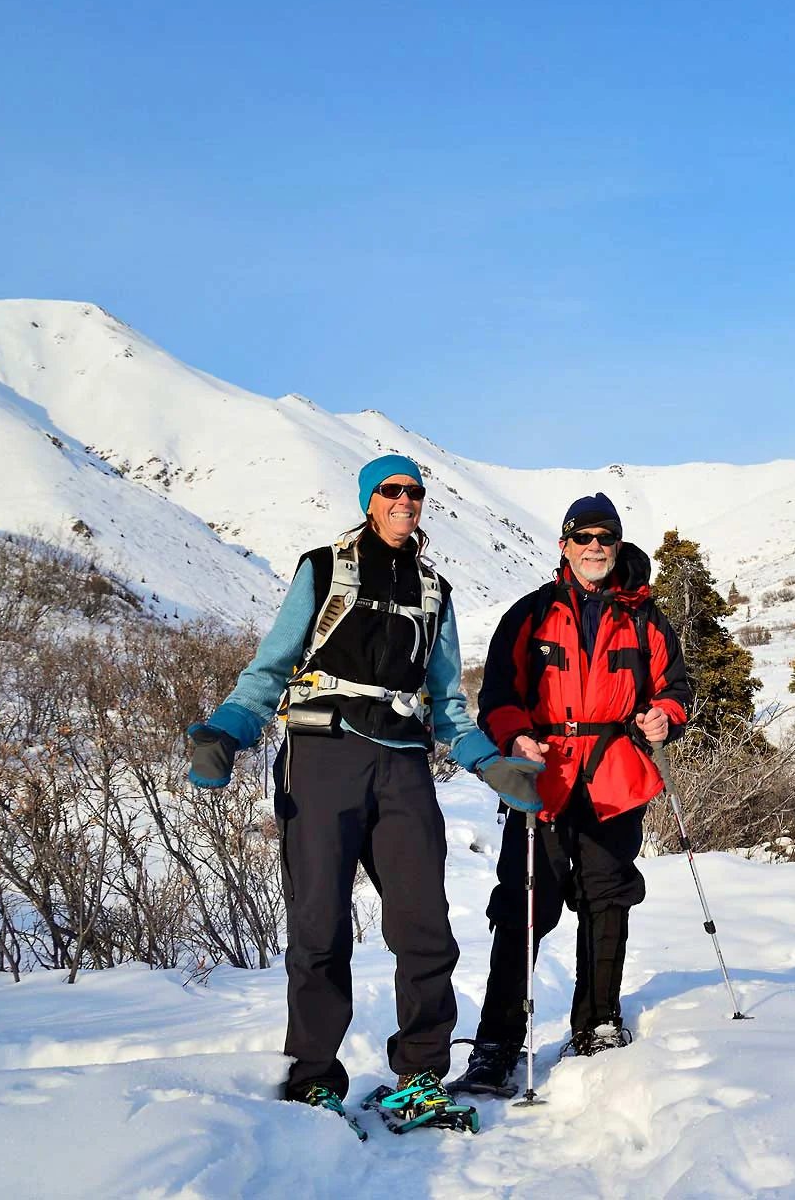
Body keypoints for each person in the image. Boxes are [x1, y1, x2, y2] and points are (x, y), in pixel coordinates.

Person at [185, 454, 543, 1132]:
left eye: (415, 490)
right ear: (369, 498)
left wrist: (491, 765)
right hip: (322, 753)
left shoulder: (434, 588)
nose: (405, 499)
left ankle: (419, 1078)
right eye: (391, 490)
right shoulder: (323, 568)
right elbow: (273, 663)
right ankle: (315, 1080)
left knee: (426, 928)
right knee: (319, 927)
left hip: (403, 760)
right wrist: (228, 730)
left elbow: (448, 704)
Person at [449, 493, 692, 1095]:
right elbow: (499, 697)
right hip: (545, 777)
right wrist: (515, 738)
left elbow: (676, 690)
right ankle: (497, 1044)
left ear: (617, 546)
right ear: (564, 545)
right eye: (583, 538)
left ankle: (599, 1025)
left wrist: (664, 715)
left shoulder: (645, 619)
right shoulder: (530, 615)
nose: (594, 548)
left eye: (605, 538)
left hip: (614, 774)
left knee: (607, 900)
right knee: (522, 910)